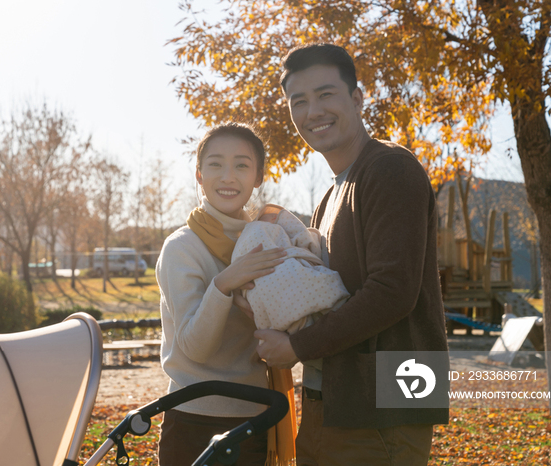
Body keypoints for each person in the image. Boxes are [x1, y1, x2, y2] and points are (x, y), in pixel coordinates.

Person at [245, 44, 449, 465]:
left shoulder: (390, 170)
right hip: (332, 402)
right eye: (298, 101)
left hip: (383, 411)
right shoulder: (330, 195)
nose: (312, 111)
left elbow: (393, 291)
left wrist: (297, 346)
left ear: (357, 98)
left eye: (325, 94)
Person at [155, 122, 288, 466]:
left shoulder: (268, 242)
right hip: (194, 417)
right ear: (199, 175)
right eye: (215, 164)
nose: (228, 176)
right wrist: (224, 283)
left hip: (256, 415)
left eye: (242, 165)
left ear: (258, 177)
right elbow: (194, 347)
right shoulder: (182, 248)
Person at [232, 203, 349, 334]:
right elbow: (305, 238)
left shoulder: (243, 237)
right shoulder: (262, 227)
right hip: (283, 277)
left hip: (269, 309)